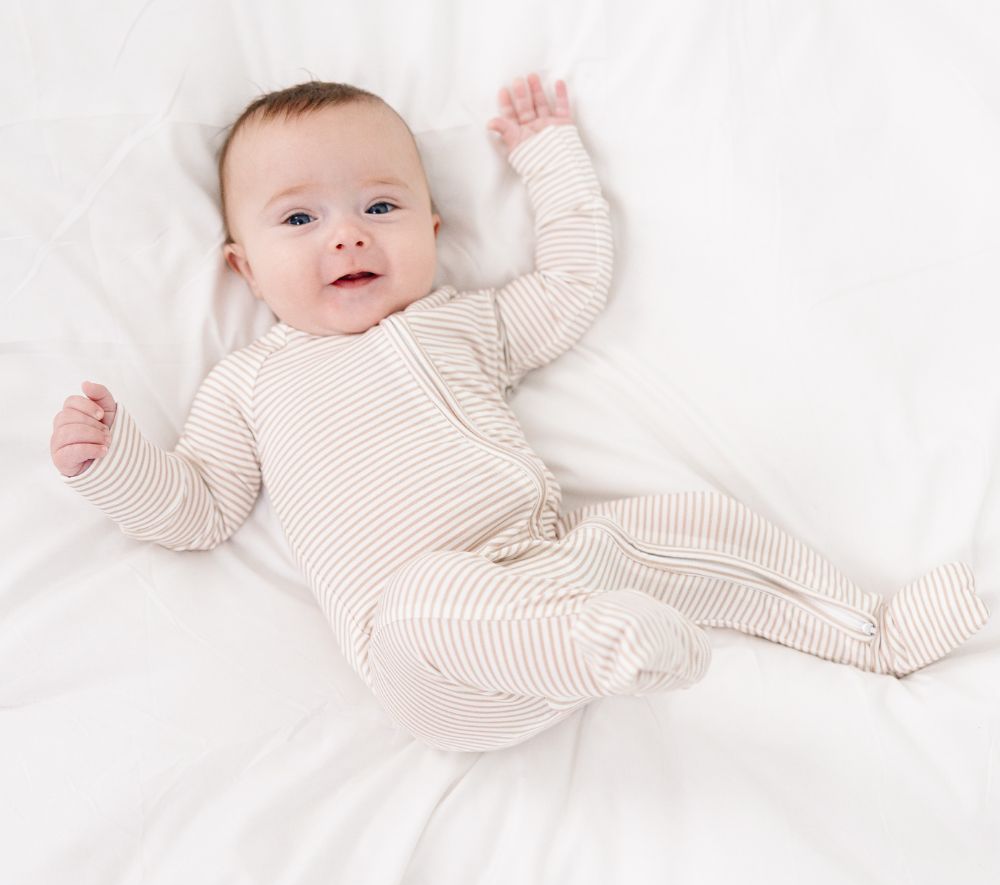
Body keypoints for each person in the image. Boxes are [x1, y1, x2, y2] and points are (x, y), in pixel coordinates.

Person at [49, 73, 990, 753]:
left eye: (381, 204)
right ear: (243, 268)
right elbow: (199, 506)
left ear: (432, 230)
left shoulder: (468, 323)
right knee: (429, 598)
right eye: (298, 220)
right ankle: (594, 648)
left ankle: (873, 634)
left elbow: (574, 279)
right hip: (428, 659)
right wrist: (115, 463)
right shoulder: (251, 383)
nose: (346, 233)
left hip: (553, 566)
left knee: (680, 527)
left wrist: (549, 160)